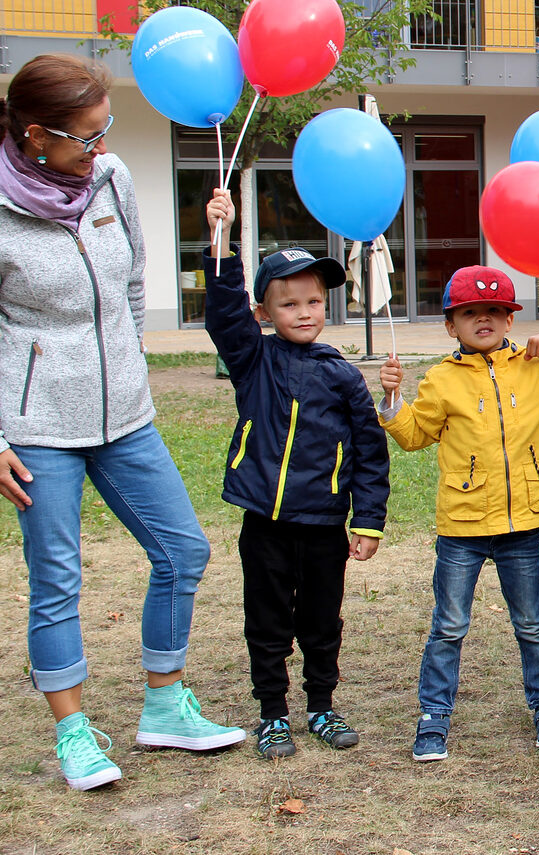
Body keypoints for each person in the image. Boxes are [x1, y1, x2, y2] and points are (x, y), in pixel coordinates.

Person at [0, 53, 243, 790]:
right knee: (57, 577)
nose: (101, 146)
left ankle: (166, 703)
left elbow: (135, 280)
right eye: (86, 135)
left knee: (183, 549)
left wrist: (129, 363)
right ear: (38, 136)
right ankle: (73, 732)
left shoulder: (110, 180)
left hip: (126, 419)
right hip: (38, 428)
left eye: (105, 128)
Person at [378, 266, 539, 760]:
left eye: (496, 311)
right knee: (449, 626)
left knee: (533, 624)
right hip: (462, 526)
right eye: (470, 312)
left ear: (509, 319)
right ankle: (433, 717)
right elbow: (415, 435)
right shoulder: (441, 379)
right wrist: (393, 398)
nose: (485, 319)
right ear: (450, 324)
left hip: (522, 524)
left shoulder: (536, 364)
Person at [203, 190, 391, 759]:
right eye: (288, 304)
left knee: (319, 619)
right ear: (265, 314)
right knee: (265, 619)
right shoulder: (252, 358)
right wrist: (223, 243)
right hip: (264, 521)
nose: (304, 311)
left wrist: (370, 521)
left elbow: (369, 451)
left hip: (323, 522)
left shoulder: (342, 376)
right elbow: (223, 312)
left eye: (313, 300)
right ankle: (272, 713)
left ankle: (321, 707)